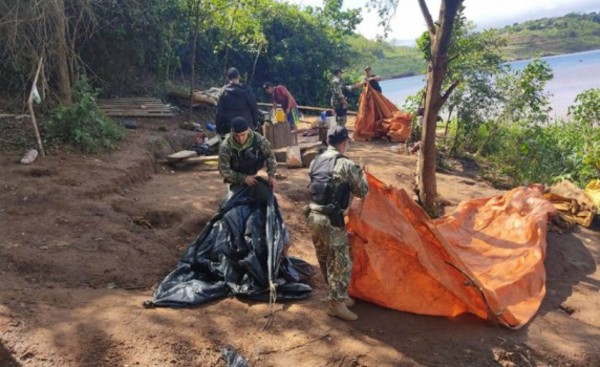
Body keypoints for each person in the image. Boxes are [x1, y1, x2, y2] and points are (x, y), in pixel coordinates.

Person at [306, 126, 369, 321]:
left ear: (327, 142)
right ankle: (336, 304)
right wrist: (363, 175)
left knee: (325, 259)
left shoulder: (315, 161)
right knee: (341, 262)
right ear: (344, 143)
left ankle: (338, 296)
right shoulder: (346, 165)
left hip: (313, 216)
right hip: (331, 221)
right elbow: (362, 191)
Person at [218, 116, 277, 195]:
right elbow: (224, 170)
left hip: (253, 174)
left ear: (248, 130)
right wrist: (243, 178)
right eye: (237, 136)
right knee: (235, 202)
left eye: (243, 135)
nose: (240, 139)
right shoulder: (225, 146)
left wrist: (271, 175)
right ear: (232, 132)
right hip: (234, 179)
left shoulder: (258, 139)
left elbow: (270, 155)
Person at [216, 67, 260, 136]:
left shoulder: (223, 92)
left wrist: (219, 130)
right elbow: (254, 108)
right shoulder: (247, 90)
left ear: (227, 78)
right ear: (239, 76)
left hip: (229, 129)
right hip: (247, 127)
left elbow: (219, 113)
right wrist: (255, 124)